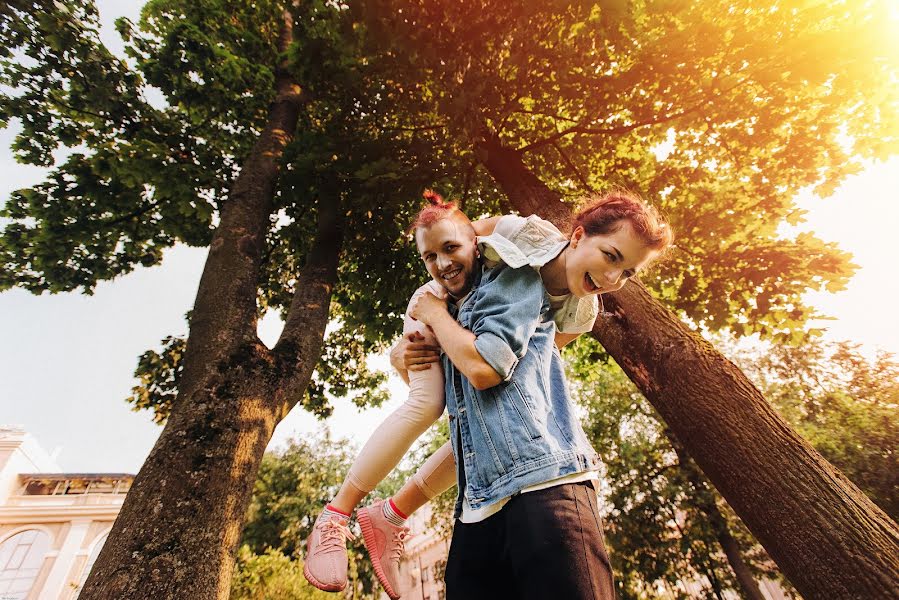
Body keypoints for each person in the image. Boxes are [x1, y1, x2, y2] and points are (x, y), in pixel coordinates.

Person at [304, 191, 671, 598]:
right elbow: (455, 241)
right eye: (611, 255)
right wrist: (418, 336)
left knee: (490, 416)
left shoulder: (581, 311)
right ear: (579, 235)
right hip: (440, 297)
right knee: (426, 403)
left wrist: (450, 349)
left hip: (463, 338)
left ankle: (392, 513)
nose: (612, 278)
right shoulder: (528, 235)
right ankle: (337, 513)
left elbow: (519, 377)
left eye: (628, 272)